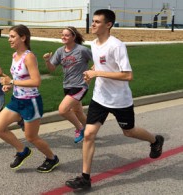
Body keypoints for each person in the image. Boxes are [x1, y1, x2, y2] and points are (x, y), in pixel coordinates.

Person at [65, 9, 164, 189]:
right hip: (100, 97)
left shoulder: (116, 45)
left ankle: (155, 141)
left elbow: (127, 75)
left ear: (108, 24)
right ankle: (85, 178)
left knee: (129, 132)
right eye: (92, 21)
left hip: (120, 100)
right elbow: (101, 64)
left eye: (97, 22)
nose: (92, 24)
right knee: (88, 134)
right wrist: (92, 71)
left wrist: (97, 72)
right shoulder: (94, 44)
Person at [0, 24, 59, 173]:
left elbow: (36, 82)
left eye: (12, 36)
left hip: (31, 102)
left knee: (31, 137)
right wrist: (10, 86)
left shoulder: (29, 57)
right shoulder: (15, 55)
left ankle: (51, 158)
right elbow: (17, 78)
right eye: (9, 36)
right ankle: (22, 151)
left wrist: (12, 82)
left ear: (23, 38)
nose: (9, 39)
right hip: (17, 100)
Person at [43, 26, 92, 143]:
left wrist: (91, 73)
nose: (63, 37)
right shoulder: (60, 51)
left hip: (80, 85)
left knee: (63, 110)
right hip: (67, 85)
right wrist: (47, 60)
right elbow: (51, 69)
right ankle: (91, 131)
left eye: (66, 35)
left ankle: (80, 129)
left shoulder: (82, 50)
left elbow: (98, 61)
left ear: (73, 37)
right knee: (78, 112)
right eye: (62, 35)